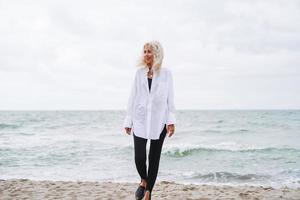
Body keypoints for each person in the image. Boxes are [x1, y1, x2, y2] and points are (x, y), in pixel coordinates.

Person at [123, 41, 176, 200]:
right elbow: (133, 97)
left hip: (159, 121)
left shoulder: (167, 74)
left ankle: (148, 192)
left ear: (157, 54)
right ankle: (144, 180)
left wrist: (171, 122)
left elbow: (170, 99)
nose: (146, 54)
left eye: (149, 51)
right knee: (139, 157)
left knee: (154, 158)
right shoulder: (139, 74)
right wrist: (128, 120)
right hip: (140, 120)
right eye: (144, 51)